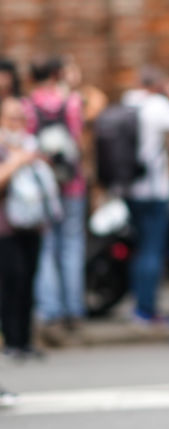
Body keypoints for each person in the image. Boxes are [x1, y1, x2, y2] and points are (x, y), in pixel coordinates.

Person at [25, 56, 87, 346]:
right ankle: (73, 309)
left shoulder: (28, 105)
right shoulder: (72, 102)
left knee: (47, 247)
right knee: (72, 245)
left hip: (43, 187)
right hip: (73, 183)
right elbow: (80, 142)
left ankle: (49, 311)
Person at [121, 66, 169, 324]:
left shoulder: (128, 101)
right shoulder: (159, 106)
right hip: (154, 189)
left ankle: (138, 303)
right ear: (158, 84)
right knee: (152, 251)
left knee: (139, 248)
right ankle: (146, 309)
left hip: (129, 188)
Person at [0, 97, 47, 359]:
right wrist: (16, 162)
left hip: (33, 223)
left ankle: (26, 340)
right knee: (12, 281)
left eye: (21, 118)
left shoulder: (31, 145)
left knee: (29, 279)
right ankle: (12, 341)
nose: (17, 123)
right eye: (11, 117)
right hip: (5, 226)